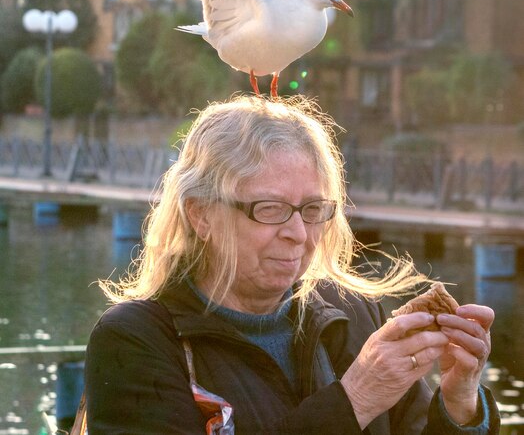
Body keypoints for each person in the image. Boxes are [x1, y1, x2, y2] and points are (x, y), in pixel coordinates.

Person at [85, 95, 499, 434]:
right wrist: (354, 400)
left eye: (313, 209)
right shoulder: (134, 340)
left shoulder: (354, 314)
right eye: (270, 209)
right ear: (201, 214)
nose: (299, 234)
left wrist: (459, 404)